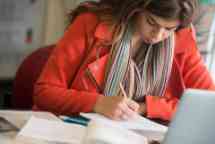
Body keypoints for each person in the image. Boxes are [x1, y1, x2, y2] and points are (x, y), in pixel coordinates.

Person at [33, 0, 215, 122]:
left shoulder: (181, 37)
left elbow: (209, 103)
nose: (158, 35)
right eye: (151, 22)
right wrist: (97, 103)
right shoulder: (90, 23)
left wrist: (148, 107)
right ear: (136, 7)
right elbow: (44, 92)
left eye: (169, 29)